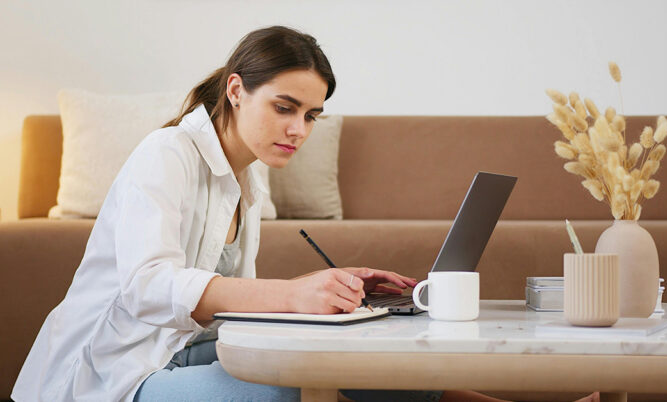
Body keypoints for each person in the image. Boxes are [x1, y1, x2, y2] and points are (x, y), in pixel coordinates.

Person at [12, 26, 599, 402]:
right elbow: (147, 288)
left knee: (372, 355)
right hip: (113, 377)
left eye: (312, 115)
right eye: (285, 107)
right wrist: (294, 297)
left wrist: (333, 293)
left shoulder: (249, 176)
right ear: (237, 91)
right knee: (281, 390)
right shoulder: (166, 155)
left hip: (179, 349)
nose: (299, 129)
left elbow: (223, 302)